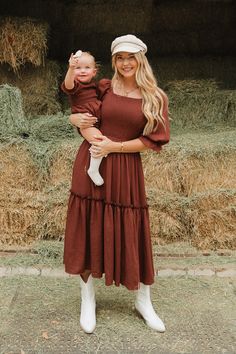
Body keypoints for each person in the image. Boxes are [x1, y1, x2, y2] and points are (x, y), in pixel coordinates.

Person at [64, 34, 170, 334]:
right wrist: (76, 122)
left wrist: (113, 147)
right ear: (113, 61)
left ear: (141, 59)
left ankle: (143, 301)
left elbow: (153, 141)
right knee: (88, 228)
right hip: (91, 163)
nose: (126, 62)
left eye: (131, 57)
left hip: (125, 169)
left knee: (132, 231)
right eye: (120, 58)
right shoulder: (103, 87)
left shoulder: (156, 96)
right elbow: (80, 109)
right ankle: (88, 298)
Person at [61, 50, 104, 186]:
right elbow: (68, 84)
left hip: (98, 119)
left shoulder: (93, 86)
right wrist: (71, 68)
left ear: (94, 72)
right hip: (86, 123)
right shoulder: (75, 86)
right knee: (98, 141)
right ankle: (93, 169)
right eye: (78, 68)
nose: (82, 71)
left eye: (87, 68)